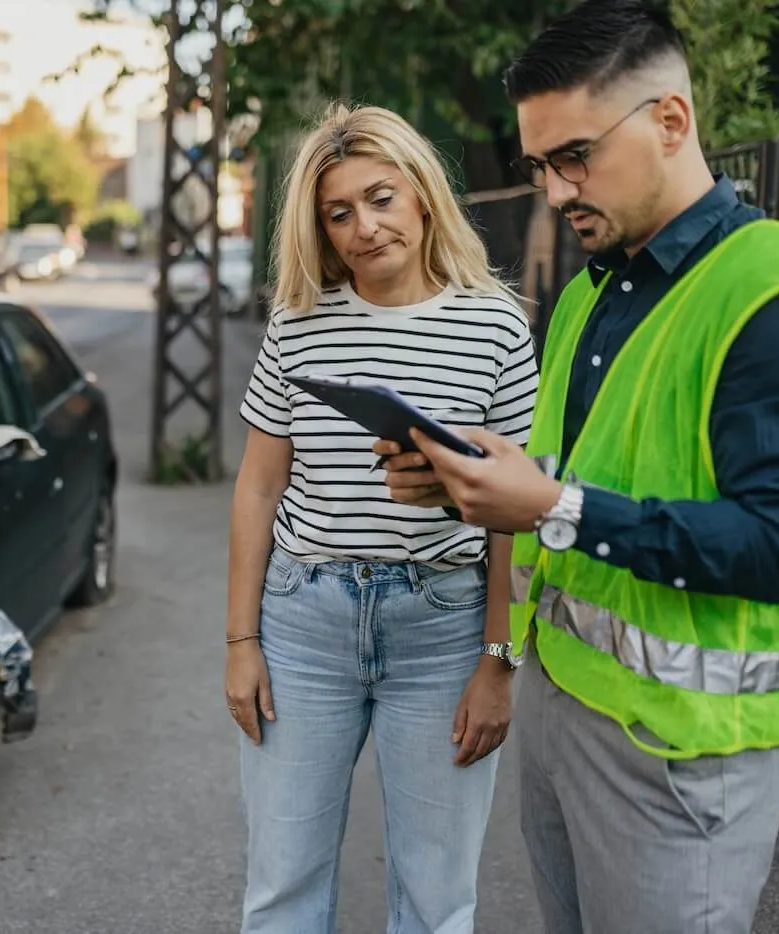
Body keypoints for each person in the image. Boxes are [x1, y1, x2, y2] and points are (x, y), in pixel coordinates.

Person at [375, 2, 779, 932]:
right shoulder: (591, 294)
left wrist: (553, 505)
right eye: (539, 167)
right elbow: (572, 481)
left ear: (671, 121)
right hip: (564, 711)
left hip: (687, 760)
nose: (557, 191)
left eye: (577, 156)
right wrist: (472, 488)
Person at [225, 101, 539, 934]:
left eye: (381, 197)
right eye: (339, 213)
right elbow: (258, 488)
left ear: (423, 195)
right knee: (281, 889)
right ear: (321, 230)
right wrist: (240, 643)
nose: (364, 226)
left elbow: (515, 516)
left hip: (443, 627)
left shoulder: (497, 327)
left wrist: (500, 662)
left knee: (436, 900)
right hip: (304, 623)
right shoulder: (297, 324)